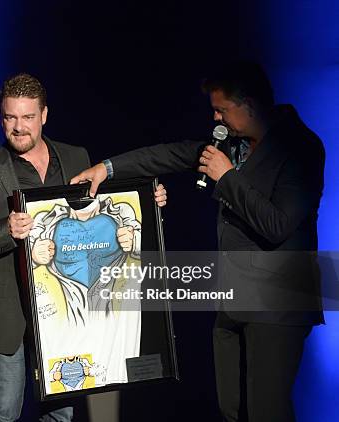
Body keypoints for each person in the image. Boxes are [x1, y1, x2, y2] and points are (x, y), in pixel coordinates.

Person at [70, 61, 325, 422]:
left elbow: (278, 225)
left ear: (249, 105)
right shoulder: (232, 144)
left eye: (222, 110)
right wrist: (105, 169)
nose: (216, 119)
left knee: (267, 410)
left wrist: (227, 177)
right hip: (233, 299)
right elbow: (167, 154)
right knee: (232, 407)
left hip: (278, 304)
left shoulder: (300, 147)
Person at [0, 73, 168, 422]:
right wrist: (4, 230)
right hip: (10, 318)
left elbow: (104, 211)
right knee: (4, 412)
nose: (18, 127)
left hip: (66, 315)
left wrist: (147, 203)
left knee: (60, 415)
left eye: (27, 117)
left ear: (44, 115)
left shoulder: (75, 157)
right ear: (1, 117)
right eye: (10, 117)